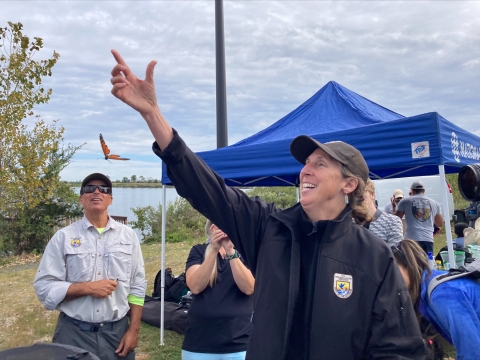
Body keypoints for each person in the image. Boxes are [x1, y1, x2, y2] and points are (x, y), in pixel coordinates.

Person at [110, 49, 425, 359]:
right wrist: (153, 115)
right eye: (306, 163)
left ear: (349, 184)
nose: (306, 170)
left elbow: (397, 350)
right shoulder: (270, 227)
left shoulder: (375, 258)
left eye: (320, 164)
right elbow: (208, 190)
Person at [34, 173, 147, 360]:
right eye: (89, 189)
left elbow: (137, 285)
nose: (96, 192)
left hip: (116, 334)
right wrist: (87, 288)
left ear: (110, 199)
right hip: (73, 334)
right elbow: (43, 287)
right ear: (81, 199)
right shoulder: (63, 237)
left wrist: (134, 330)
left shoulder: (128, 236)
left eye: (103, 189)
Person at [392, 240, 480, 360]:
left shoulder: (442, 294)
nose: (391, 281)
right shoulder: (431, 284)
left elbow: (472, 350)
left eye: (394, 272)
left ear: (409, 265)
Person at [182, 220, 254, 360]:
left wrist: (230, 251)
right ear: (212, 228)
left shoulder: (246, 252)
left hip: (239, 344)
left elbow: (249, 288)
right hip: (199, 345)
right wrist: (214, 250)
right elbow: (195, 286)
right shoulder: (198, 251)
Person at [395, 180, 444, 254]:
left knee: (412, 263)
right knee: (427, 263)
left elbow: (396, 219)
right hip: (428, 238)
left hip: (411, 238)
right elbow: (440, 223)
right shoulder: (434, 203)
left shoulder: (405, 202)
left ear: (412, 190)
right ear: (424, 191)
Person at [364, 179, 403, 245]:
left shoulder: (392, 221)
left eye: (361, 191)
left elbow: (396, 252)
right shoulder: (349, 223)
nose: (356, 196)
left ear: (372, 195)